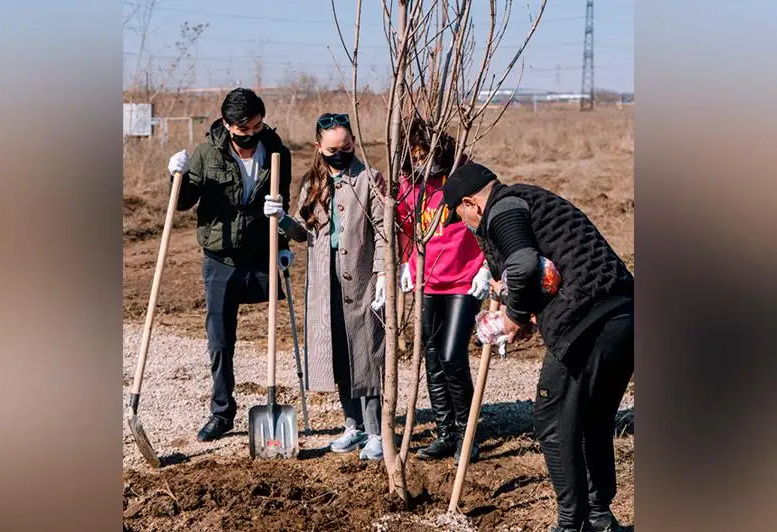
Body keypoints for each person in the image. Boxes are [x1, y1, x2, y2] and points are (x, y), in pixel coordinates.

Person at [441, 162, 634, 532]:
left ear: (471, 203)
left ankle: (570, 524)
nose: (464, 225)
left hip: (589, 323)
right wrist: (527, 312)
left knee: (552, 421)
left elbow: (526, 263)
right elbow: (548, 272)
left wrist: (511, 317)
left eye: (460, 216)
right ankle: (598, 518)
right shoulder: (529, 201)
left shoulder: (504, 208)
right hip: (624, 316)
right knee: (591, 420)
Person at [166, 88, 294, 442]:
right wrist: (175, 176)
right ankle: (222, 412)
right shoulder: (207, 154)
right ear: (227, 125)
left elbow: (283, 202)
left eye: (257, 127)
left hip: (261, 254)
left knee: (276, 332)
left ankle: (274, 399)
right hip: (220, 261)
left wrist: (282, 236)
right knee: (220, 340)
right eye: (243, 131)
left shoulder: (278, 153)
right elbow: (183, 202)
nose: (251, 136)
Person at [263, 112, 387, 460]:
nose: (340, 153)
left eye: (346, 147)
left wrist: (382, 276)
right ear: (319, 147)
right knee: (335, 353)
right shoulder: (311, 183)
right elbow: (306, 233)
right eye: (332, 149)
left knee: (366, 354)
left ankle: (376, 431)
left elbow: (383, 232)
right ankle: (354, 426)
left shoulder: (369, 180)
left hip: (361, 280)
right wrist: (282, 220)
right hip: (323, 281)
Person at [395, 118, 490, 464]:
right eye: (416, 156)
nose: (423, 163)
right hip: (428, 281)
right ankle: (445, 432)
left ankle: (468, 435)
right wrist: (407, 262)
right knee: (432, 357)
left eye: (428, 155)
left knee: (452, 355)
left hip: (464, 279)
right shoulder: (407, 183)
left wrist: (487, 266)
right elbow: (405, 226)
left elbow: (488, 219)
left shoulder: (464, 175)